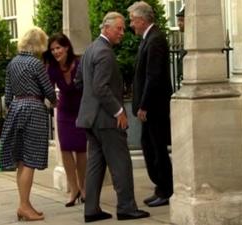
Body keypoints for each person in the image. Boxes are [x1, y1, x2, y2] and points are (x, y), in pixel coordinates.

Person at [75, 12, 150, 223]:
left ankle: (91, 209)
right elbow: (100, 87)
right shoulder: (105, 52)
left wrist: (91, 104)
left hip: (91, 119)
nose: (122, 33)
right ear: (106, 28)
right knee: (121, 163)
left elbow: (80, 82)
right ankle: (126, 207)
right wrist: (119, 111)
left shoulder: (90, 49)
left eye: (124, 28)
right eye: (119, 28)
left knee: (95, 165)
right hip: (107, 120)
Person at [0, 27, 57, 221]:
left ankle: (25, 204)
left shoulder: (12, 63)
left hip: (16, 108)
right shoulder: (35, 63)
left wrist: (15, 107)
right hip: (33, 109)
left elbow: (7, 96)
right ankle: (24, 206)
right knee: (30, 160)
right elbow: (48, 90)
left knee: (22, 160)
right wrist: (56, 102)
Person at [128, 1, 173, 207]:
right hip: (150, 107)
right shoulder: (149, 38)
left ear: (142, 20)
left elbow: (152, 76)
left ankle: (166, 189)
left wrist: (144, 105)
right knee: (150, 148)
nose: (131, 25)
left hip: (154, 107)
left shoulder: (155, 40)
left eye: (132, 21)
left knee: (158, 149)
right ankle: (160, 187)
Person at [43, 33, 87, 207]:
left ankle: (83, 188)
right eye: (52, 49)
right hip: (64, 112)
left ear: (67, 47)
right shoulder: (52, 68)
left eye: (58, 48)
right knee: (66, 149)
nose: (55, 52)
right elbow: (47, 88)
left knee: (81, 150)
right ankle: (73, 189)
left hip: (81, 110)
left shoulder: (79, 63)